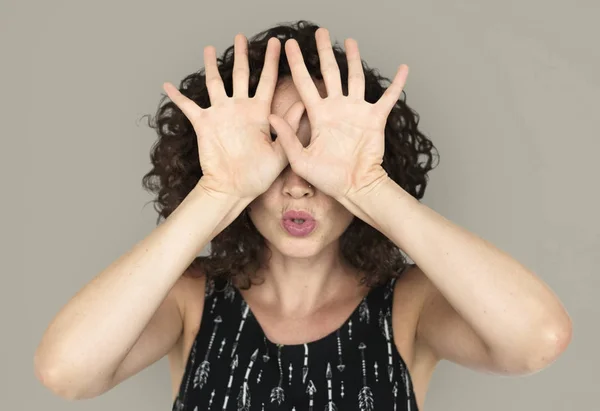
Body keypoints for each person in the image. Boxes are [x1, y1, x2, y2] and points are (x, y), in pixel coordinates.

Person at [34, 20, 572, 411]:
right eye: (273, 149)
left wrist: (367, 184)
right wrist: (219, 191)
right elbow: (66, 373)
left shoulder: (411, 306)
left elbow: (537, 339)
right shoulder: (190, 300)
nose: (297, 183)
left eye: (318, 151)